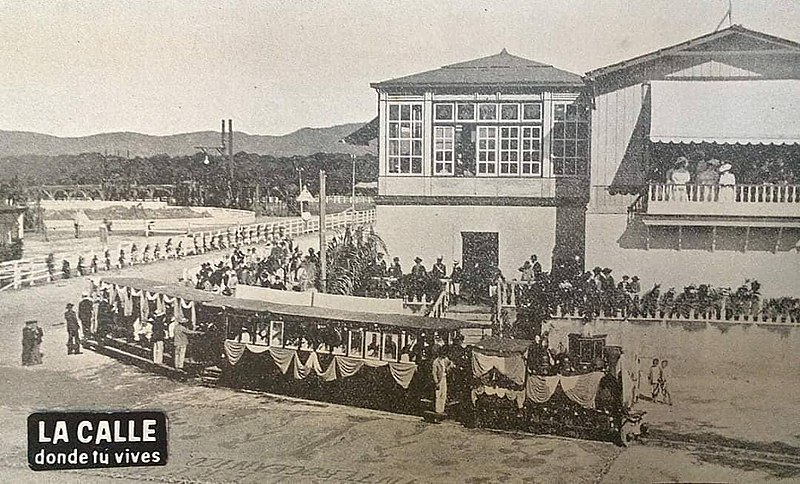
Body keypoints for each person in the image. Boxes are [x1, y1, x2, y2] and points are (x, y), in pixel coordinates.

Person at [432, 348, 454, 415]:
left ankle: (442, 409)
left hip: (444, 378)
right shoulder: (436, 362)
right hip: (439, 379)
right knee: (438, 394)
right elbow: (434, 373)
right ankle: (438, 410)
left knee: (443, 394)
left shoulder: (445, 359)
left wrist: (449, 367)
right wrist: (436, 382)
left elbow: (451, 363)